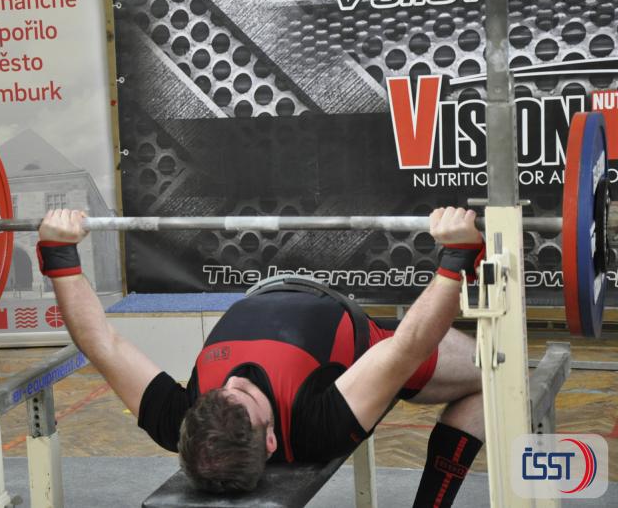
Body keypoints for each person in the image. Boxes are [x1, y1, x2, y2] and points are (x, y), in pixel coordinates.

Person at [37, 207, 486, 507]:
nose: (237, 382)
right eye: (247, 398)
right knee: (490, 374)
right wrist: (457, 257)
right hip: (367, 342)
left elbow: (102, 344)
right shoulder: (315, 426)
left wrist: (59, 253)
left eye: (219, 393)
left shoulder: (177, 420)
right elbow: (407, 346)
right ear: (272, 441)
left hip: (263, 290)